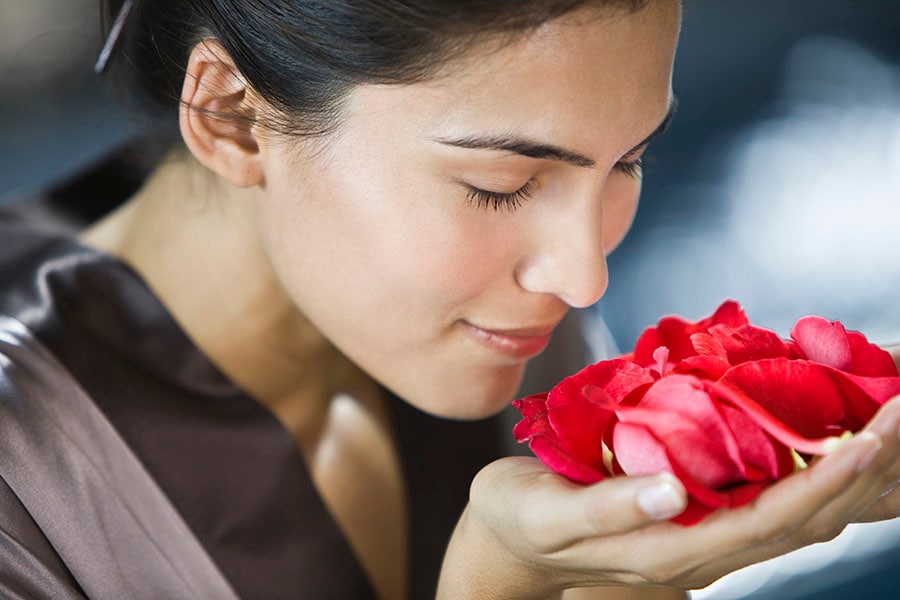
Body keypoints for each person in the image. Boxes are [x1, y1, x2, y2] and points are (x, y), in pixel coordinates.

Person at [1, 0, 899, 598]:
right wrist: (500, 580)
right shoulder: (23, 489)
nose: (584, 278)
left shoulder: (503, 318)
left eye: (627, 160)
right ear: (234, 115)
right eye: (503, 185)